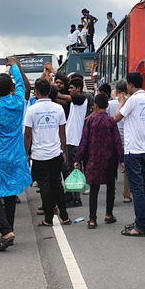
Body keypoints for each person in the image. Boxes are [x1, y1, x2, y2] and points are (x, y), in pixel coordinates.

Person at [0, 58, 33, 251]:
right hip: (16, 155)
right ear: (10, 87)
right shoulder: (19, 102)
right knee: (10, 194)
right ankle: (8, 230)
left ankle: (6, 230)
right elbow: (21, 84)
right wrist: (14, 66)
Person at [113, 72, 145, 237]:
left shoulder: (133, 100)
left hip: (133, 151)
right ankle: (142, 221)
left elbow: (116, 117)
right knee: (142, 189)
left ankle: (140, 226)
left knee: (137, 190)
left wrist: (122, 102)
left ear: (130, 85)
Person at [25, 78, 71, 226]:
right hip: (55, 152)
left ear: (36, 92)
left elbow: (27, 134)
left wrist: (27, 153)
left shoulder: (32, 110)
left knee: (44, 185)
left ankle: (48, 218)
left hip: (39, 154)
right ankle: (65, 216)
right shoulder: (58, 108)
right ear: (50, 92)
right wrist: (62, 150)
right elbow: (62, 132)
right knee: (57, 184)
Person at [74, 93, 123, 229]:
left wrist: (78, 158)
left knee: (94, 188)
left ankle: (92, 219)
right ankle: (108, 214)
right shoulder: (111, 121)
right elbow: (117, 141)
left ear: (95, 106)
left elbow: (83, 141)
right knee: (110, 185)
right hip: (110, 159)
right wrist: (122, 160)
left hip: (93, 158)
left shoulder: (90, 121)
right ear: (107, 106)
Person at [59, 78, 89, 207]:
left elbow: (61, 96)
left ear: (78, 89)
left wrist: (57, 93)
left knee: (73, 169)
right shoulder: (73, 102)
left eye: (71, 88)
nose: (70, 90)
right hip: (70, 139)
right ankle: (70, 195)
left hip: (75, 140)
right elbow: (60, 100)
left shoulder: (81, 99)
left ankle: (76, 199)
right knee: (67, 168)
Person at [104, 82, 132, 204]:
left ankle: (112, 190)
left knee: (111, 166)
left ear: (116, 91)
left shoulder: (110, 104)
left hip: (112, 139)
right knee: (126, 167)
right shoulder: (130, 102)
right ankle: (126, 195)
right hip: (126, 139)